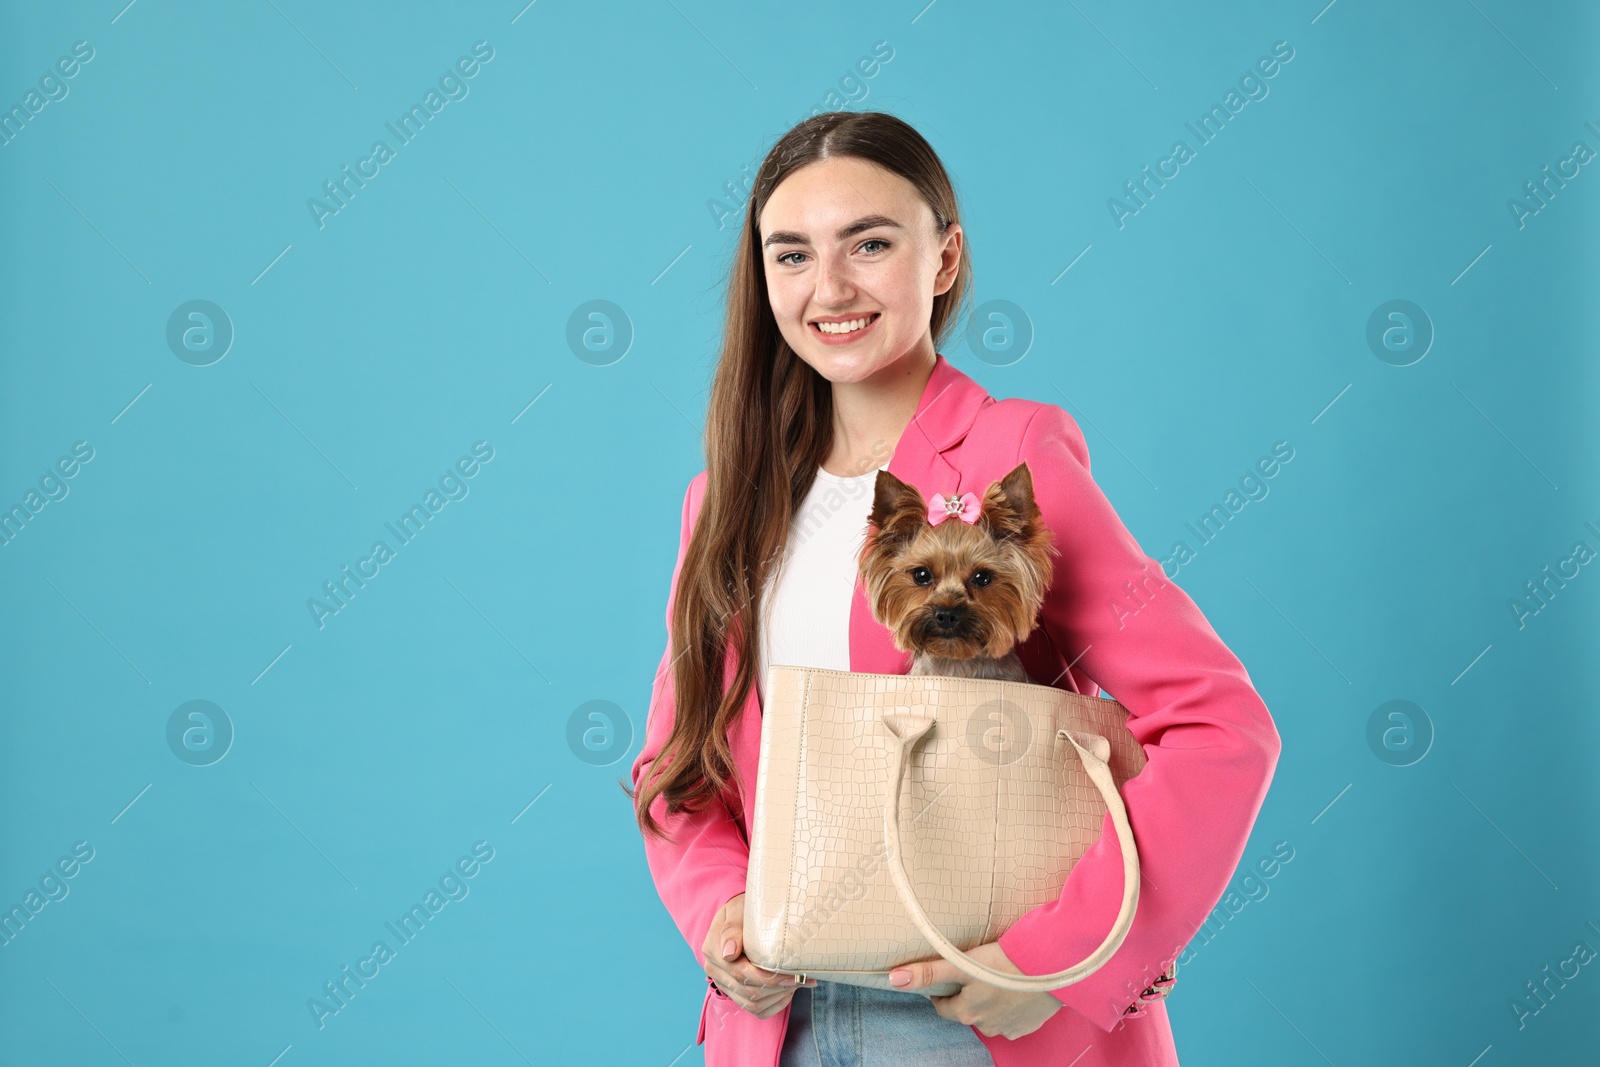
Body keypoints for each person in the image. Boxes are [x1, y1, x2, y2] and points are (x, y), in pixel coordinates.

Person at [626, 110, 1281, 1067]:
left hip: (975, 1024)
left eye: (871, 244)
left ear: (944, 258)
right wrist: (722, 914)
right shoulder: (725, 500)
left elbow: (1222, 725)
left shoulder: (1017, 453)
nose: (831, 287)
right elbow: (675, 765)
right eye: (792, 254)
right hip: (778, 1024)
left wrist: (1052, 960)